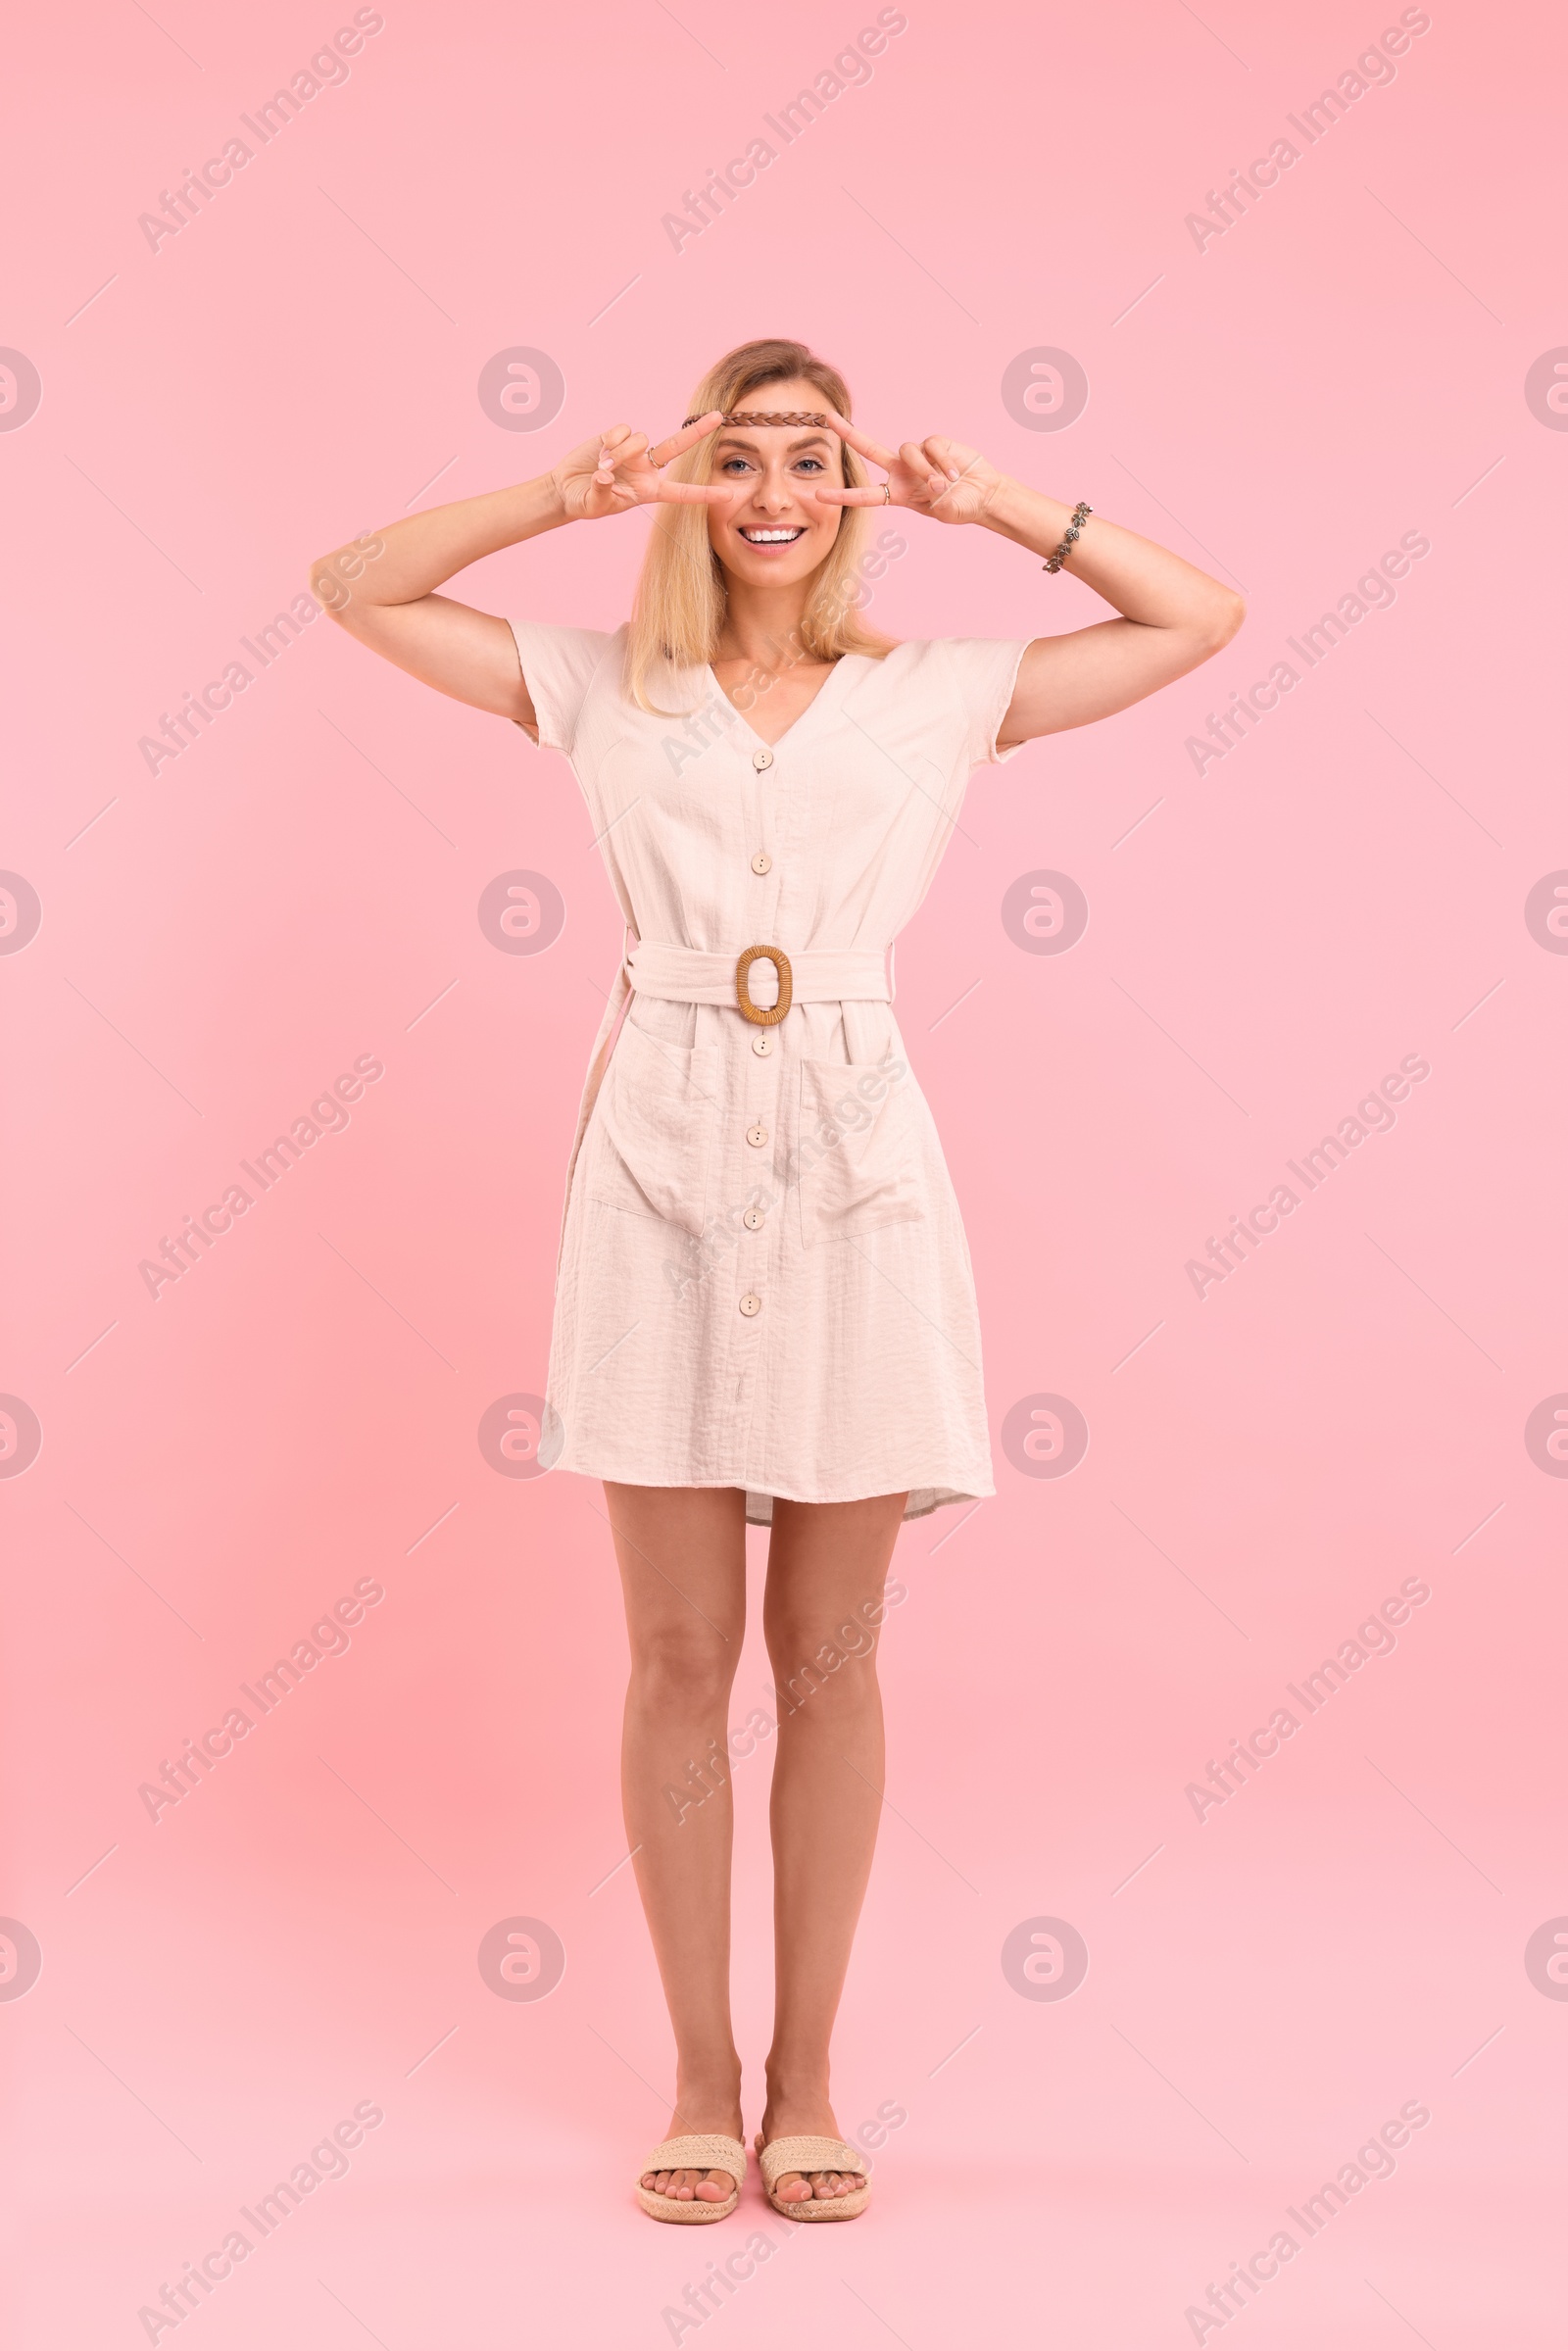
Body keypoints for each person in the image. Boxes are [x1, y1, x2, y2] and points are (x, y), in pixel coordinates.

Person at [312, 336, 1243, 2224]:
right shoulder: (606, 687)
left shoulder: (934, 697)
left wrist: (1004, 510)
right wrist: (562, 499)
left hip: (854, 1168)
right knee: (672, 1655)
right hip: (654, 1153)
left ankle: (810, 2078)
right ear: (693, 483)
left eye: (812, 459)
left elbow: (1200, 616)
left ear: (853, 492)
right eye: (737, 459)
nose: (773, 493)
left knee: (832, 1656)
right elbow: (355, 586)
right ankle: (694, 2072)